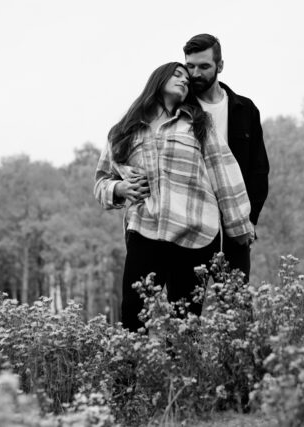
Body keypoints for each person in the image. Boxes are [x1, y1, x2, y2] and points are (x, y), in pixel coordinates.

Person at [94, 62, 255, 331]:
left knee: (185, 324)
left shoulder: (198, 125)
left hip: (194, 234)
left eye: (187, 79)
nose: (184, 80)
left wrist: (240, 224)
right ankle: (128, 374)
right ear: (158, 79)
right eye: (177, 74)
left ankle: (184, 373)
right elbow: (101, 181)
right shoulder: (123, 131)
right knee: (133, 316)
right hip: (145, 231)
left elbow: (224, 173)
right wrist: (119, 189)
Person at [183, 34, 269, 281]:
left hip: (234, 225)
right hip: (190, 224)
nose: (195, 73)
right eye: (190, 66)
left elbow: (259, 169)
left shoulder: (246, 109)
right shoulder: (179, 110)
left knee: (236, 307)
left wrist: (249, 220)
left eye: (204, 66)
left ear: (220, 66)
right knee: (185, 310)